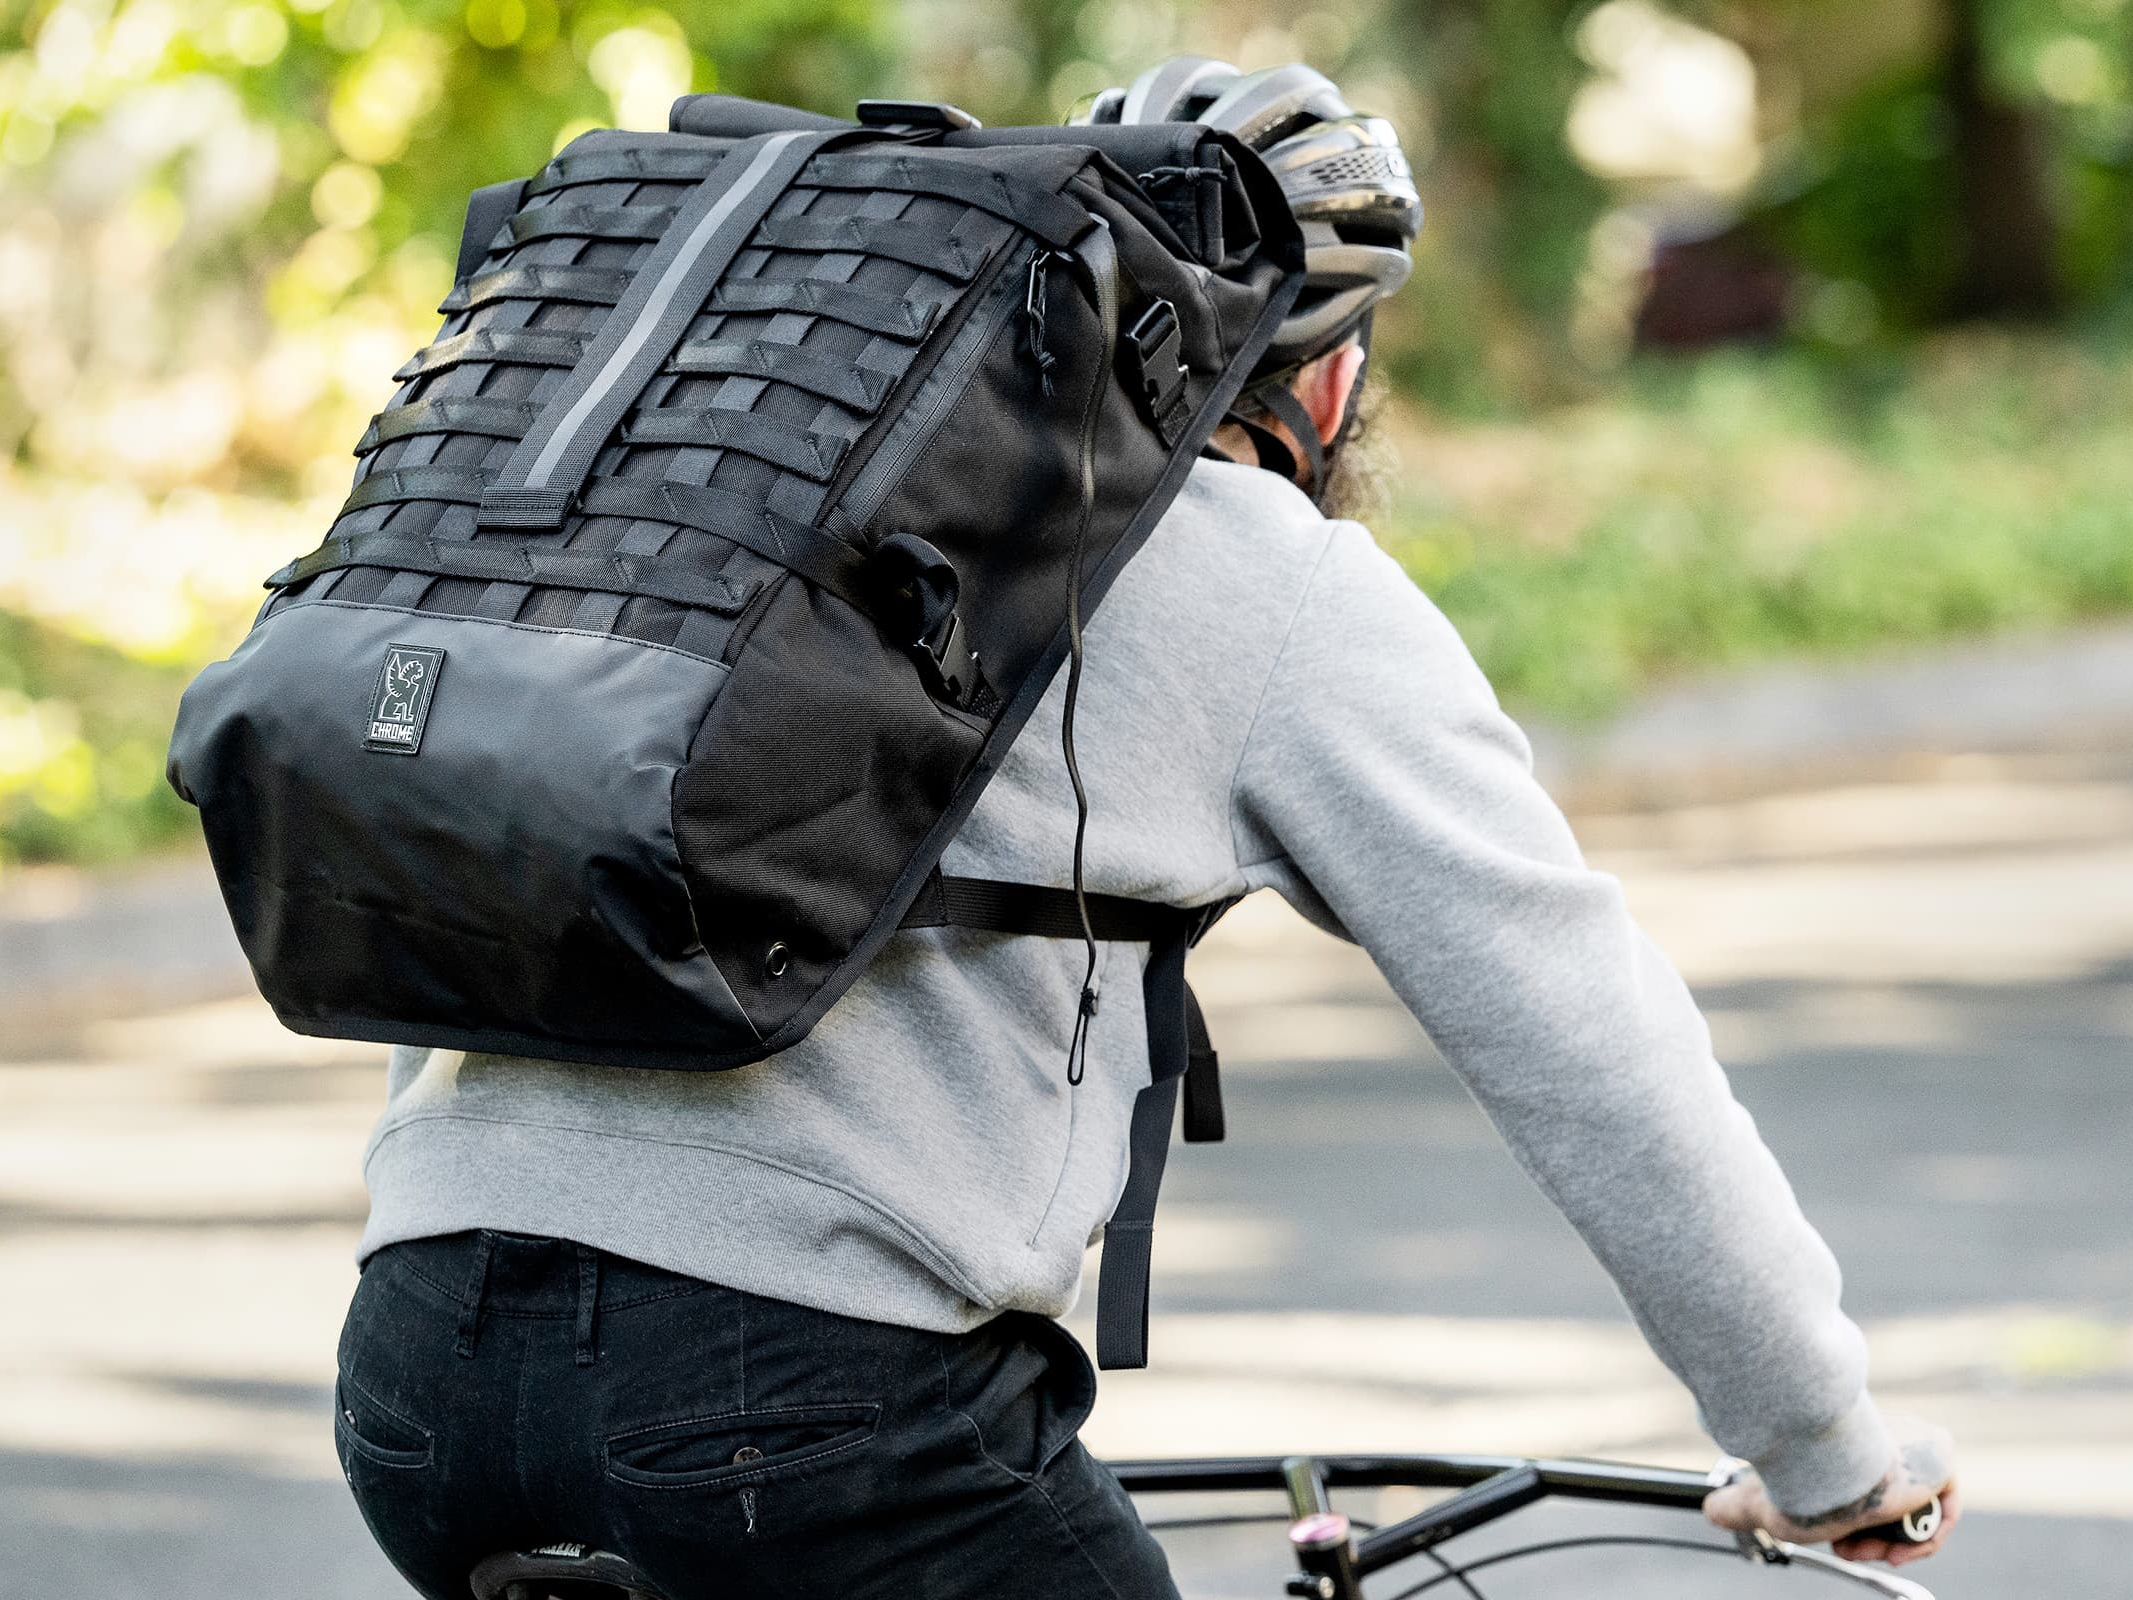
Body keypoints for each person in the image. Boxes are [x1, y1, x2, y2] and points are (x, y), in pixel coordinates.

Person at [330, 58, 1958, 1598]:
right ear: (1332, 372)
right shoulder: (1269, 576)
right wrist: (1823, 1452)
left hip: (419, 1370)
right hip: (803, 1411)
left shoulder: (763, 517)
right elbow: (1589, 1043)